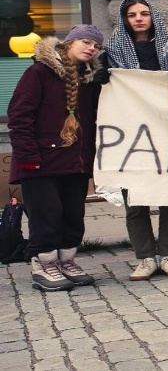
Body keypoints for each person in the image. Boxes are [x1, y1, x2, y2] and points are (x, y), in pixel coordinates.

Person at [8, 24, 108, 291]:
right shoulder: (38, 73)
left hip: (74, 162)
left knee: (73, 216)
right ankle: (44, 265)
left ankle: (65, 262)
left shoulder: (89, 82)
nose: (91, 48)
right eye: (86, 42)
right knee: (47, 215)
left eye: (96, 46)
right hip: (40, 162)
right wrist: (27, 155)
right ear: (68, 43)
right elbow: (19, 116)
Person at [105, 0, 168, 281]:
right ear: (125, 20)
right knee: (135, 198)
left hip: (167, 132)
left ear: (153, 17)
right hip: (129, 133)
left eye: (144, 13)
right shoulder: (111, 53)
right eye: (132, 15)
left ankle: (167, 255)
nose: (139, 19)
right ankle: (145, 257)